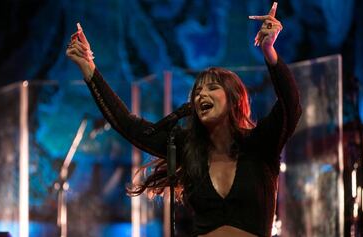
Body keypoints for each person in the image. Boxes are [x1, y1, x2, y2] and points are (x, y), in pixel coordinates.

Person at [66, 2, 301, 237]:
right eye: (197, 91)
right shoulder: (188, 148)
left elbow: (291, 106)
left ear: (234, 99)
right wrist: (90, 71)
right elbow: (127, 124)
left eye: (212, 88)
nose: (201, 95)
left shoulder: (260, 144)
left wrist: (270, 53)